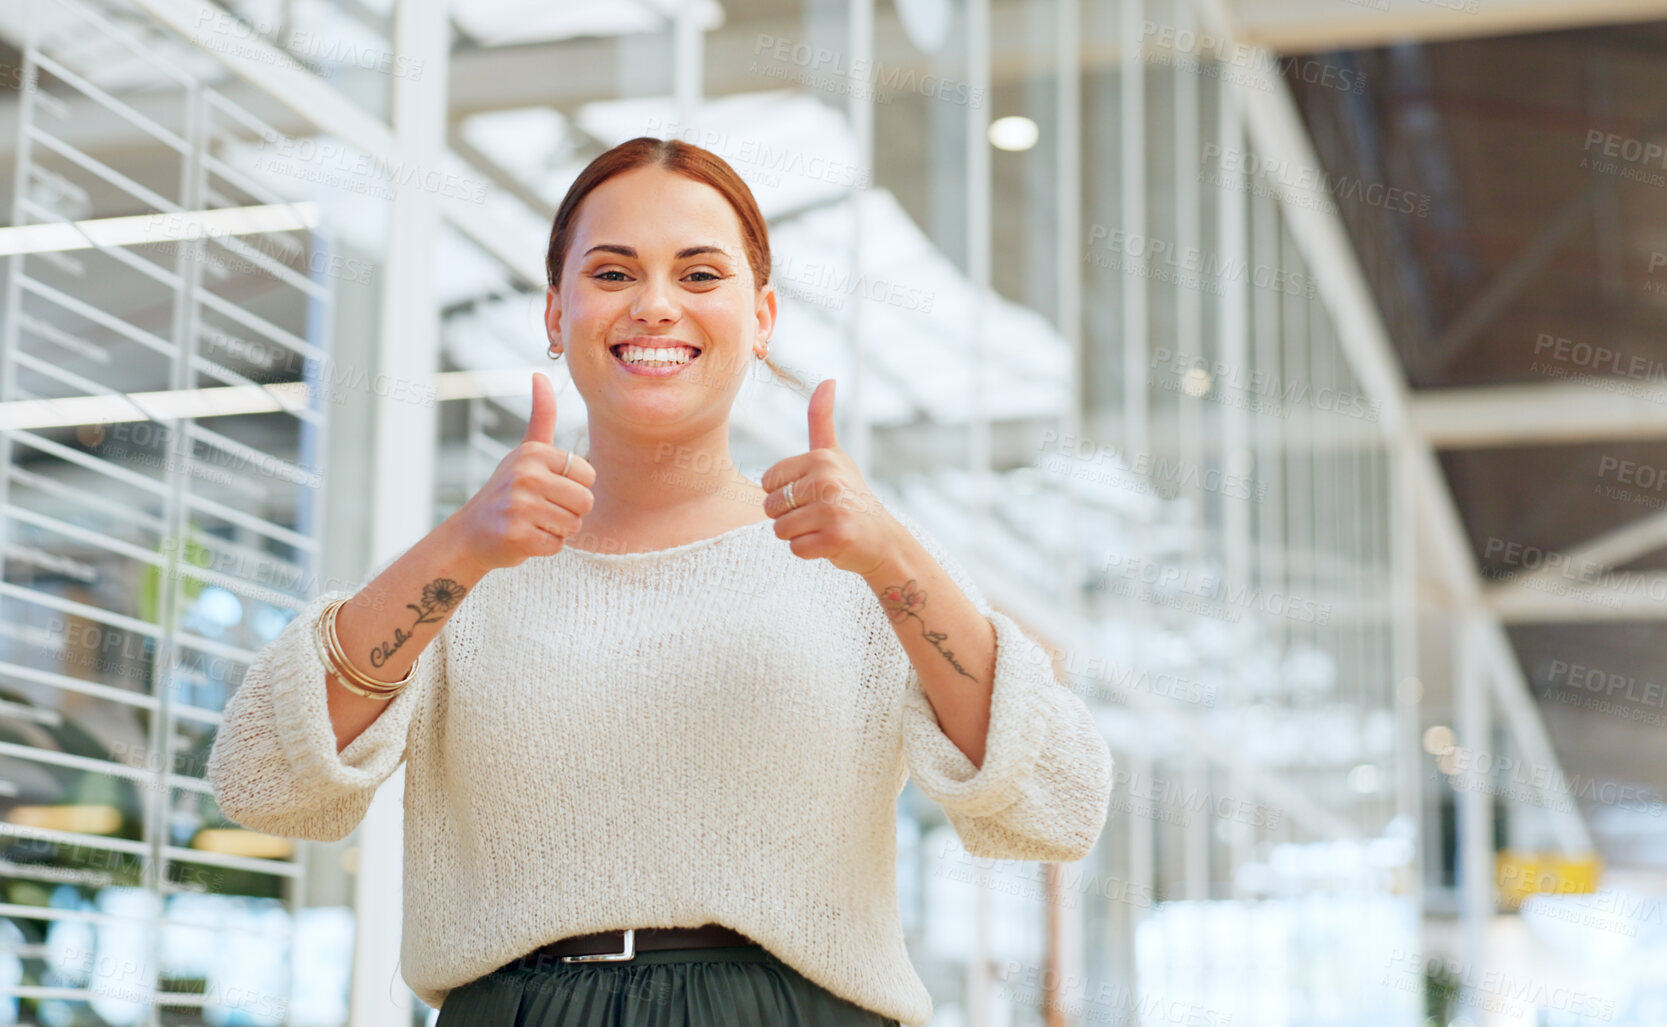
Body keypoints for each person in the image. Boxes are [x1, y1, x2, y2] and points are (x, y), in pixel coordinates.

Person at [204, 136, 1114, 1027]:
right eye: (610, 273)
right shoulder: (467, 565)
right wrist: (456, 551)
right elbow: (262, 783)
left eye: (699, 274)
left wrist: (894, 560)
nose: (654, 305)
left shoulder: (855, 558)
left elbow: (1058, 806)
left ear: (760, 317)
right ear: (555, 314)